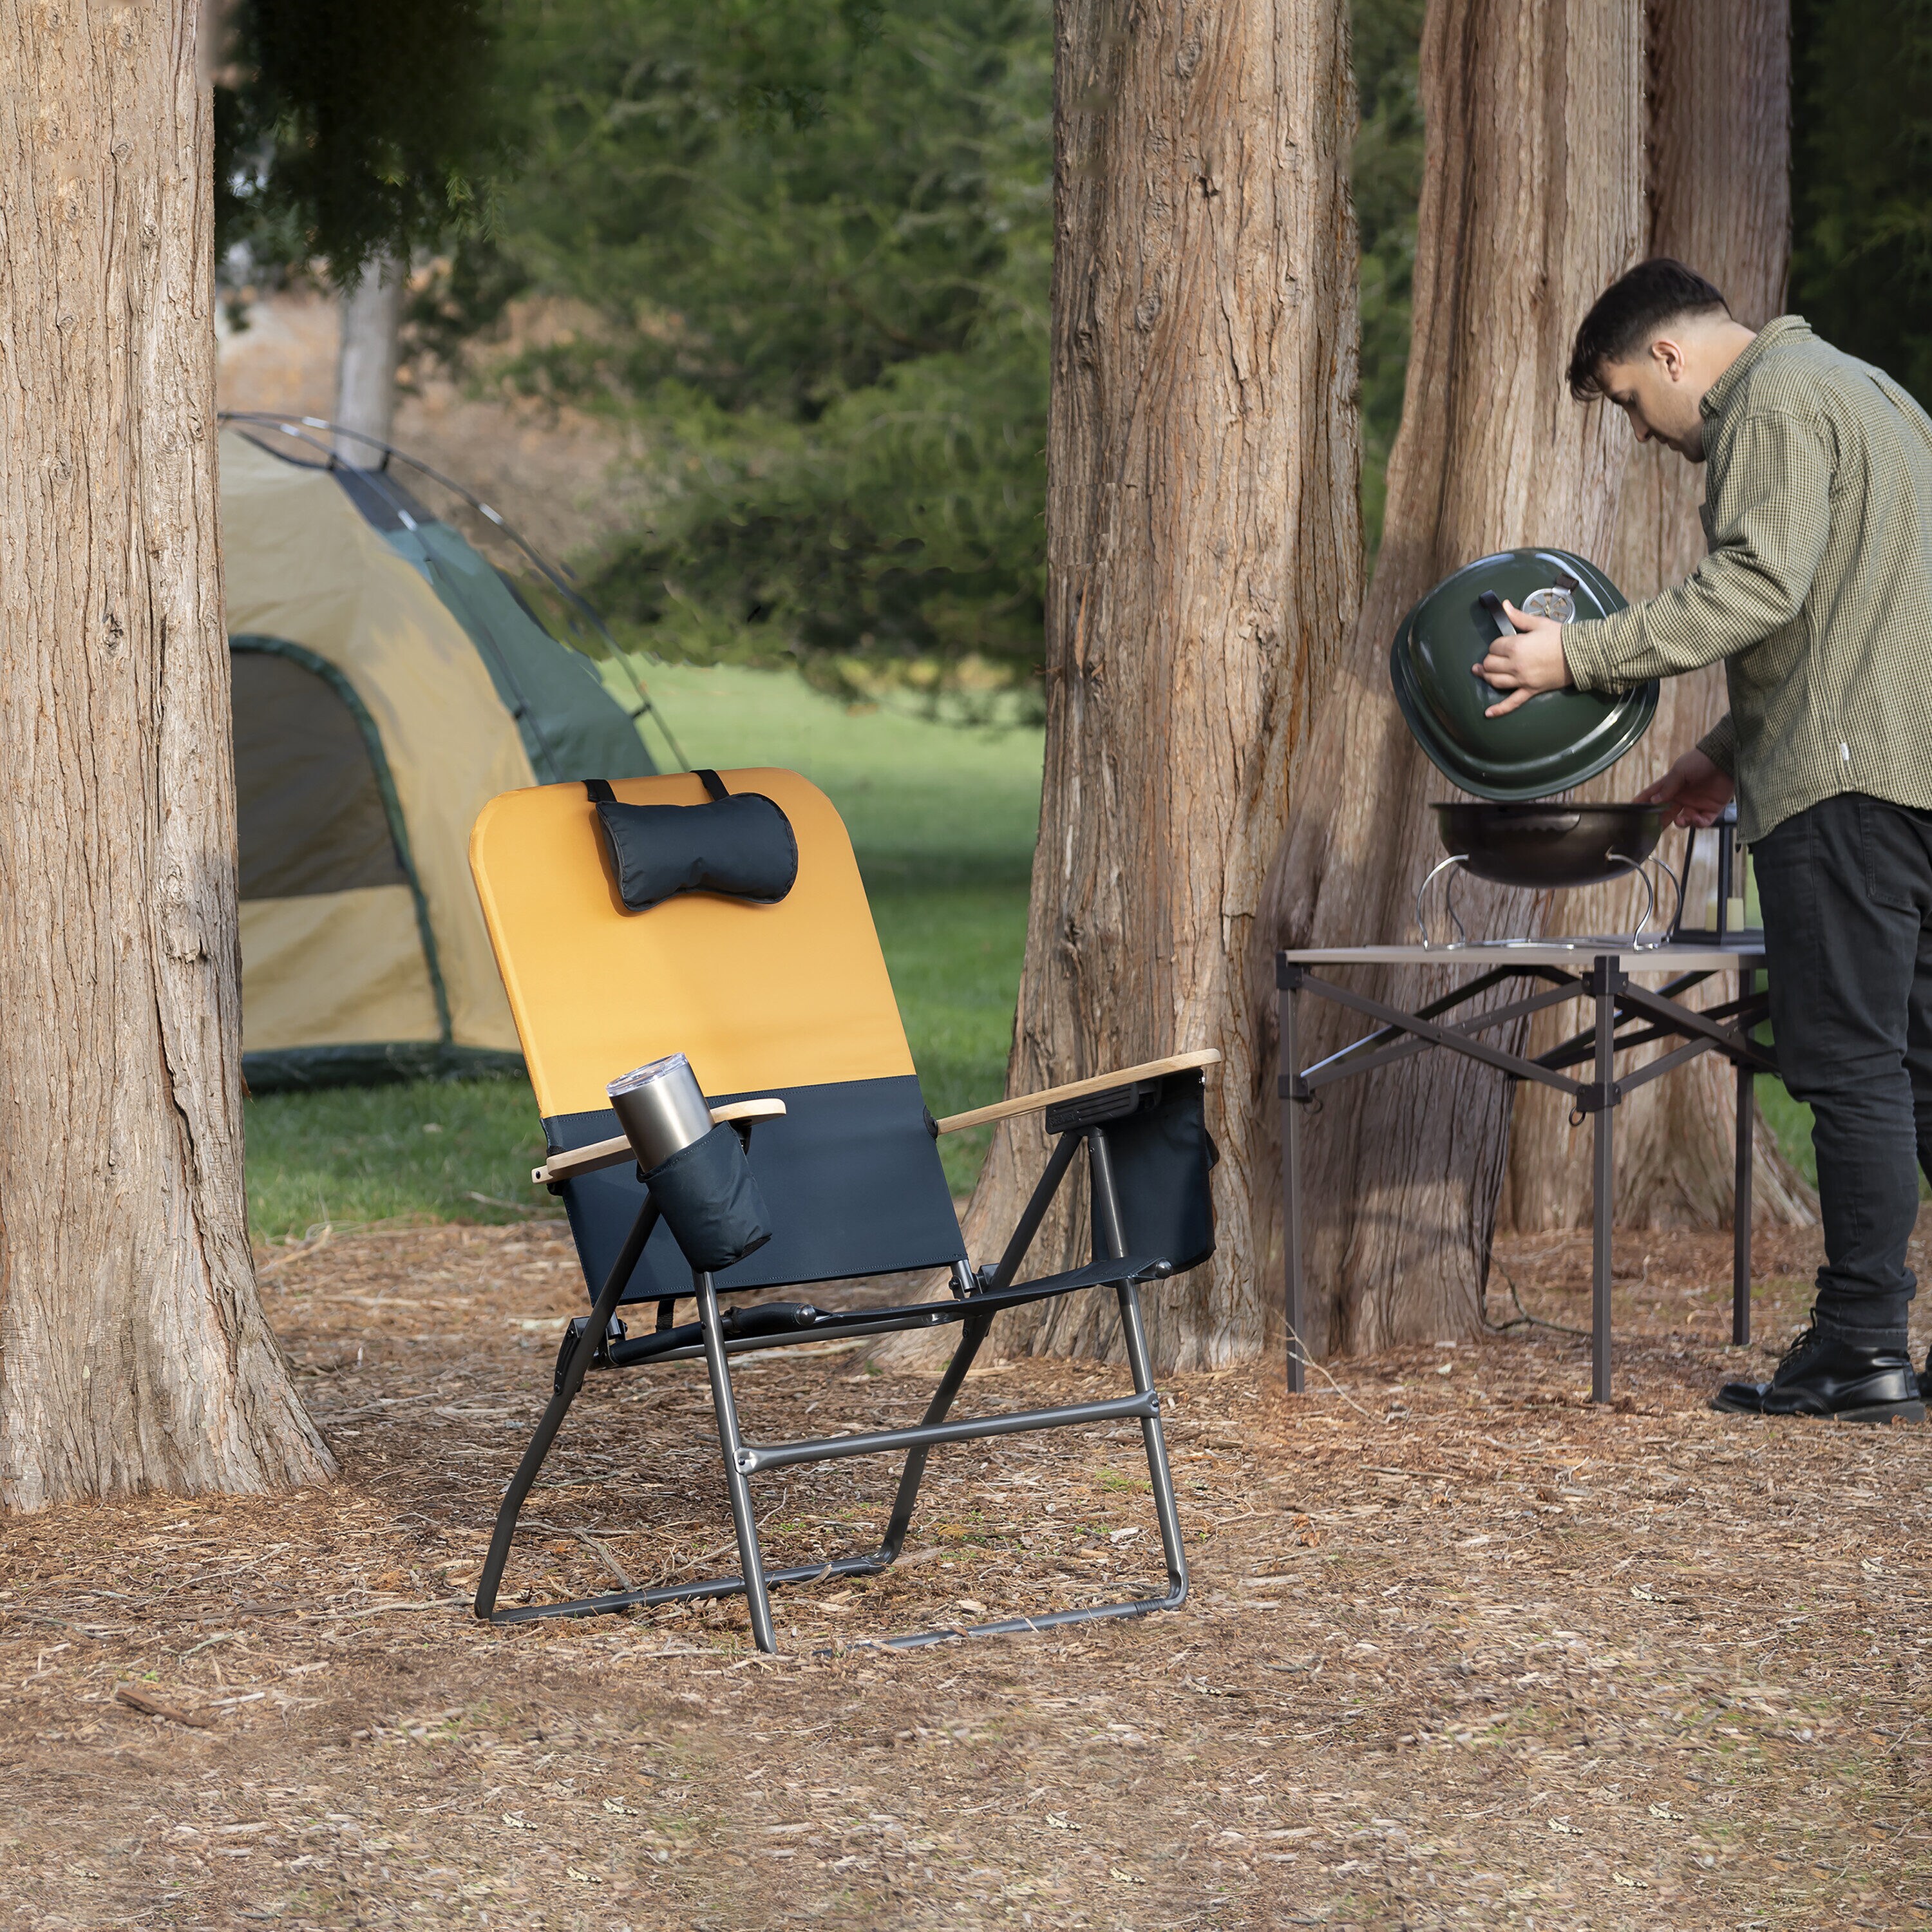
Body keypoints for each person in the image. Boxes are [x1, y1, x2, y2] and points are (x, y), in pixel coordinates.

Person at [1478, 256, 1932, 1425]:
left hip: (1842, 794)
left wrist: (1568, 656)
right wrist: (1723, 755)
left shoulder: (1769, 402)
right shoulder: (1872, 391)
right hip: (1908, 775)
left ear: (1671, 356)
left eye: (1630, 400)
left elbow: (1757, 586)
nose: (1642, 430)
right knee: (1918, 1068)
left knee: (1852, 1069)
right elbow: (1853, 610)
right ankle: (1869, 1335)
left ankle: (1860, 1344)